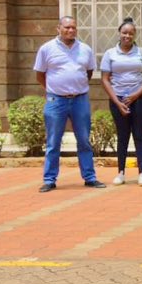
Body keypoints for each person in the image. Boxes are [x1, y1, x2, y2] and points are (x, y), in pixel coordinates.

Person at [34, 16, 104, 193]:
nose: (70, 30)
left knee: (84, 140)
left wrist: (75, 87)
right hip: (56, 100)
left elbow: (88, 72)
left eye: (73, 27)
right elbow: (40, 75)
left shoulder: (85, 49)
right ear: (58, 28)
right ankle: (49, 179)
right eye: (67, 27)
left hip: (80, 100)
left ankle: (89, 177)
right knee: (53, 142)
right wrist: (54, 89)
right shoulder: (46, 49)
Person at [100, 18, 142, 187]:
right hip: (118, 100)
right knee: (122, 136)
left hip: (139, 99)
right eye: (124, 32)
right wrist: (117, 102)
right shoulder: (110, 54)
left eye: (131, 33)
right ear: (119, 33)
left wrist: (136, 95)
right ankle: (121, 172)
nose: (127, 36)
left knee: (139, 135)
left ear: (135, 34)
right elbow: (105, 79)